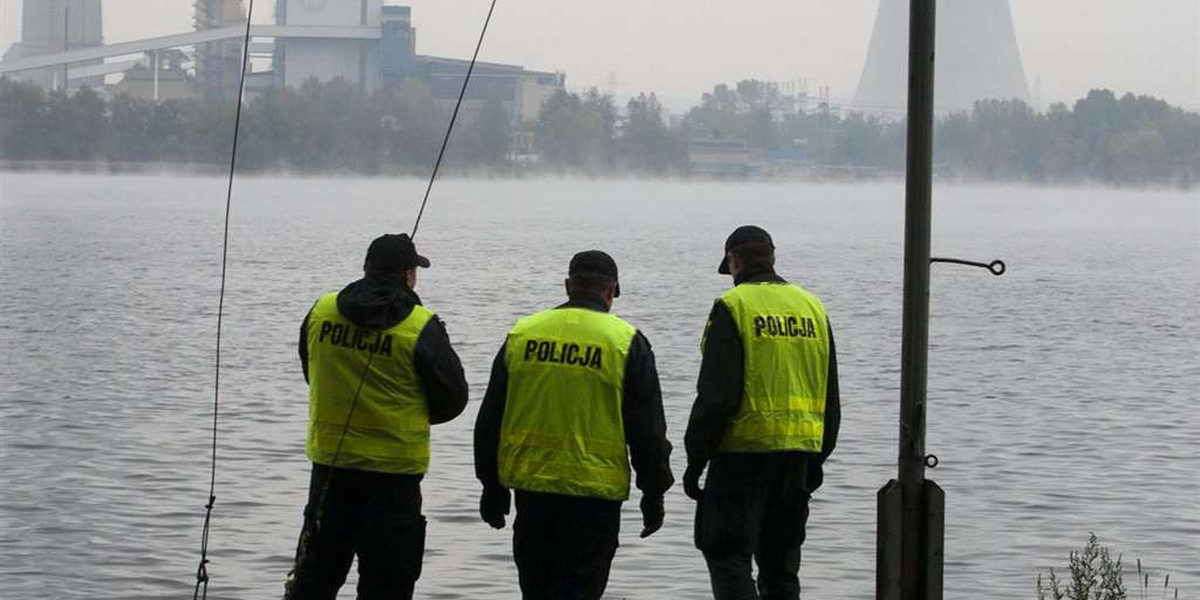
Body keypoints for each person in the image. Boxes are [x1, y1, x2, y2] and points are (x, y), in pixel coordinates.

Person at [474, 250, 675, 600]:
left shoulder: (523, 335)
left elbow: (490, 419)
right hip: (594, 499)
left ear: (568, 285)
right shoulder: (625, 342)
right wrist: (653, 492)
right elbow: (648, 431)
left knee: (536, 591)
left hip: (533, 492)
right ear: (613, 290)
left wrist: (491, 486)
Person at [285, 233, 469, 600]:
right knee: (387, 587)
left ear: (366, 267)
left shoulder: (321, 311)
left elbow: (313, 370)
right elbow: (454, 398)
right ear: (407, 276)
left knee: (314, 581)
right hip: (394, 480)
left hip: (330, 471)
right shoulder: (419, 325)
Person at [684, 226, 841, 600]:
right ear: (772, 258)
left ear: (734, 261)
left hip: (741, 457)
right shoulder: (812, 307)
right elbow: (830, 396)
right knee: (781, 565)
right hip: (797, 457)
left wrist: (695, 460)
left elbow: (716, 398)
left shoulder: (733, 306)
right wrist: (817, 458)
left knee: (727, 553)